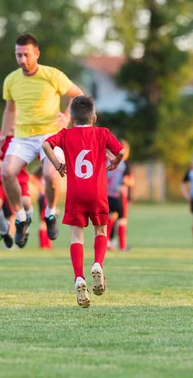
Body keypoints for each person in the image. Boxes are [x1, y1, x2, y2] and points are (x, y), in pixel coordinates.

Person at [0, 33, 83, 247]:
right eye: (18, 55)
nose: (22, 59)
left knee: (50, 174)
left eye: (26, 54)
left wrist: (67, 116)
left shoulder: (52, 75)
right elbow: (10, 110)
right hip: (23, 136)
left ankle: (51, 213)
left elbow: (77, 94)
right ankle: (21, 218)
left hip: (50, 134)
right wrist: (2, 135)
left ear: (36, 53)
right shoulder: (11, 80)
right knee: (7, 172)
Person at [42, 95, 125, 308]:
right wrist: (115, 161)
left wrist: (58, 166)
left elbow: (45, 145)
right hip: (97, 193)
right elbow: (121, 151)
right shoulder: (102, 133)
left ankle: (79, 277)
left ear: (71, 118)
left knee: (76, 236)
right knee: (101, 231)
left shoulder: (66, 134)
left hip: (75, 193)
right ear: (94, 117)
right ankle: (97, 264)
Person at [0, 129, 31, 249]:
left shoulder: (25, 134)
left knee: (26, 203)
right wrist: (3, 166)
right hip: (1, 177)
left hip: (20, 177)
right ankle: (4, 232)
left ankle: (24, 230)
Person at [106, 139, 134, 251]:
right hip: (119, 196)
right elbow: (128, 180)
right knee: (122, 220)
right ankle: (122, 246)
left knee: (109, 218)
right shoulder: (125, 164)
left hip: (107, 195)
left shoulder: (108, 161)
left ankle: (108, 242)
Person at [29, 166, 51, 250]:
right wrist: (42, 188)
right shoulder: (43, 167)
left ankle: (47, 243)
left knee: (49, 220)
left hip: (50, 198)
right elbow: (32, 178)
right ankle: (43, 244)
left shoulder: (52, 166)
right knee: (44, 221)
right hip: (44, 198)